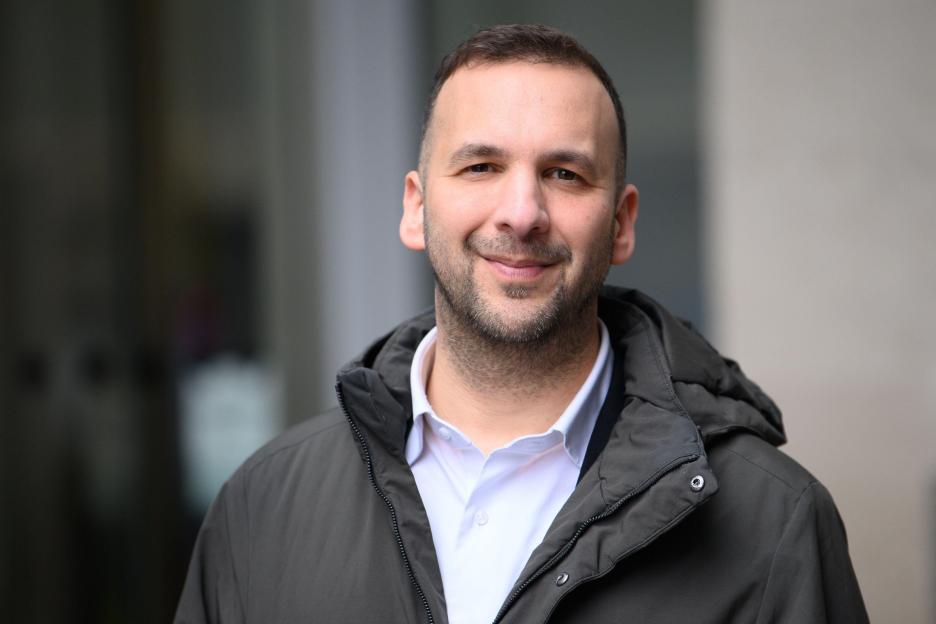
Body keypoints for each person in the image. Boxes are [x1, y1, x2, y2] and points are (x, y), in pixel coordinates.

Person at [175, 24, 868, 624]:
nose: (522, 212)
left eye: (565, 174)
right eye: (481, 166)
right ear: (416, 209)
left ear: (621, 223)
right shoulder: (263, 508)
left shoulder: (773, 523)